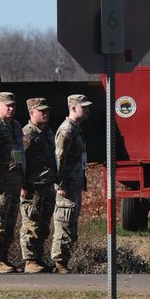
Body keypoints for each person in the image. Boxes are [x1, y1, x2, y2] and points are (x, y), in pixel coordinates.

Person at [52, 94, 92, 273]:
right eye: (84, 107)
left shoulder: (77, 129)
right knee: (64, 222)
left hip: (74, 185)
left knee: (71, 224)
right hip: (66, 187)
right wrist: (60, 184)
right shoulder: (66, 130)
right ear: (73, 108)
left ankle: (65, 261)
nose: (88, 110)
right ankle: (59, 262)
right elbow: (59, 159)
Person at [0, 91, 25, 273]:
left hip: (14, 182)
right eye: (7, 105)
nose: (10, 109)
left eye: (13, 106)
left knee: (9, 223)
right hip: (0, 183)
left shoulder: (16, 126)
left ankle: (4, 257)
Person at [20, 98, 57, 273]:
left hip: (47, 185)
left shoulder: (48, 132)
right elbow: (20, 161)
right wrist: (23, 184)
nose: (45, 113)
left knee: (43, 225)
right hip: (33, 186)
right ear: (31, 113)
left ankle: (39, 257)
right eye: (41, 110)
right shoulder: (27, 134)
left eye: (46, 110)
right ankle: (29, 260)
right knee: (31, 224)